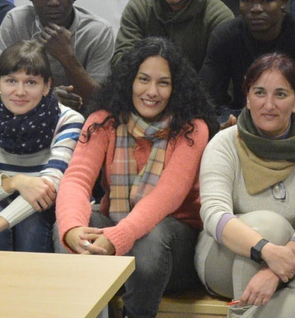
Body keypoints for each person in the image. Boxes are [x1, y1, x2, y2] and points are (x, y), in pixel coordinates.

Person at [56, 38, 216, 318]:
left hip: (173, 247)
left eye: (163, 83)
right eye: (143, 79)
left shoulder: (192, 128)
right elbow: (76, 180)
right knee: (70, 231)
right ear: (129, 80)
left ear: (175, 87)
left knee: (150, 239)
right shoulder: (103, 120)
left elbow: (168, 195)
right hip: (116, 229)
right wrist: (72, 230)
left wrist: (118, 236)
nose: (151, 92)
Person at [195, 53, 295, 316]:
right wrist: (266, 251)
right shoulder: (224, 143)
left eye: (281, 95)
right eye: (260, 92)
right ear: (247, 97)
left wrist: (273, 270)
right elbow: (213, 214)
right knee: (270, 224)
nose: (269, 105)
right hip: (223, 256)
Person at [0, 41, 85, 252]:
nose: (20, 91)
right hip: (4, 205)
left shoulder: (68, 120)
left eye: (31, 82)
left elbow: (48, 190)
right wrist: (16, 183)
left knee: (30, 219)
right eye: (11, 81)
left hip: (52, 211)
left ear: (47, 86)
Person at [0, 0, 116, 111]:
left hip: (81, 123)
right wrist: (45, 98)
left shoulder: (97, 31)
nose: (53, 2)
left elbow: (102, 101)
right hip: (23, 116)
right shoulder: (16, 20)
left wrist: (67, 58)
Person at [198, 0, 295, 126]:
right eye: (247, 0)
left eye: (267, 1)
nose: (256, 9)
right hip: (238, 116)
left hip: (287, 118)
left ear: (283, 2)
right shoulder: (225, 35)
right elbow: (206, 96)